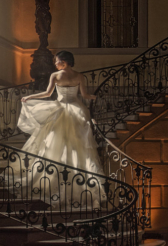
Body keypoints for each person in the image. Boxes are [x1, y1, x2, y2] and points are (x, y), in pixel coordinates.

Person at [16, 51, 105, 209]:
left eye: (57, 62)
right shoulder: (79, 76)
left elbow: (47, 93)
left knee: (57, 147)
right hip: (78, 110)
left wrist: (30, 97)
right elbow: (84, 95)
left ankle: (60, 188)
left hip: (61, 110)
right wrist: (95, 98)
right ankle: (85, 190)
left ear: (64, 62)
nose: (55, 64)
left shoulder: (55, 76)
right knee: (80, 149)